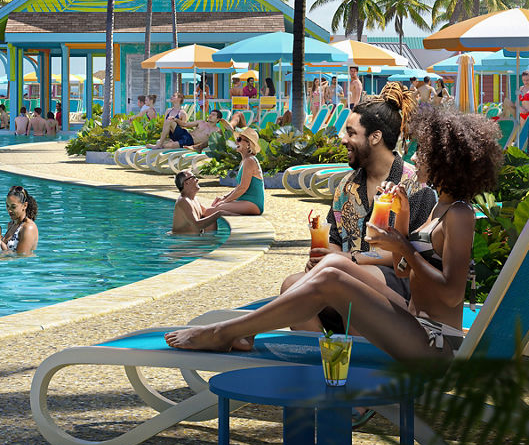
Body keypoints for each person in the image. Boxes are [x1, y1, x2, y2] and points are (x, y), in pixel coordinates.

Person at [165, 102, 503, 360]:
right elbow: (405, 267)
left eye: (427, 153)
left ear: (446, 161)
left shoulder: (459, 214)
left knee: (333, 278)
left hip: (435, 340)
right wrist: (399, 231)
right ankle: (244, 332)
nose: (419, 158)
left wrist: (404, 247)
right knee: (335, 265)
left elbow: (451, 293)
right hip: (414, 321)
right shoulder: (437, 209)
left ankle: (227, 331)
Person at [316, 83, 437, 267]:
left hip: (394, 281)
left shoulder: (415, 187)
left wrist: (348, 261)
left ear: (375, 137)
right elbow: (334, 238)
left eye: (351, 133)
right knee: (291, 282)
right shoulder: (347, 186)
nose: (343, 140)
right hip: (343, 276)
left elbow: (415, 251)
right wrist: (326, 260)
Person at [207, 128, 265, 216]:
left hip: (253, 203)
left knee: (213, 210)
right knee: (214, 208)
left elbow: (242, 188)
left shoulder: (249, 161)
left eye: (239, 139)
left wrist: (225, 201)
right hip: (245, 201)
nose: (236, 142)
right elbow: (239, 187)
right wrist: (224, 197)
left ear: (248, 144)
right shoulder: (244, 161)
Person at [172, 170, 221, 235]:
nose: (197, 179)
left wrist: (219, 205)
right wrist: (220, 213)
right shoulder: (183, 201)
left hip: (192, 241)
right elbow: (197, 225)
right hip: (183, 241)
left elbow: (206, 212)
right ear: (186, 183)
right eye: (194, 177)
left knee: (210, 218)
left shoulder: (194, 199)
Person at [3, 185, 40, 254]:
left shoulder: (28, 228)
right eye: (7, 206)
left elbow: (21, 257)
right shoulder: (11, 224)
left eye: (13, 207)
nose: (9, 210)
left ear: (25, 205)